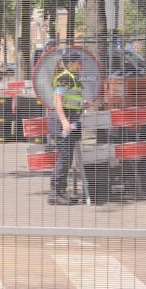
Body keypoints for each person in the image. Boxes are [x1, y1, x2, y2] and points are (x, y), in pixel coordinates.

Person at [48, 49, 86, 205]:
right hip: (62, 122)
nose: (81, 64)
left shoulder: (72, 77)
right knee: (64, 158)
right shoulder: (64, 78)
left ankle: (61, 192)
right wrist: (64, 122)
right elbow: (58, 101)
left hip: (70, 120)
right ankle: (55, 193)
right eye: (79, 62)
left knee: (67, 158)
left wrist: (83, 105)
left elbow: (70, 100)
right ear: (70, 63)